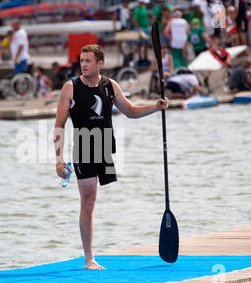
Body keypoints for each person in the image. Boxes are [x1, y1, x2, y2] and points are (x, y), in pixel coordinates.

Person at [53, 44, 169, 270]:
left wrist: (156, 107)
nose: (83, 65)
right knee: (87, 202)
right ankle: (89, 259)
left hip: (105, 148)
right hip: (84, 149)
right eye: (81, 60)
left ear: (99, 64)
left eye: (88, 61)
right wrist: (59, 158)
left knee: (97, 201)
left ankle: (109, 248)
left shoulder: (110, 86)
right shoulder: (71, 88)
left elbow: (131, 111)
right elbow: (59, 125)